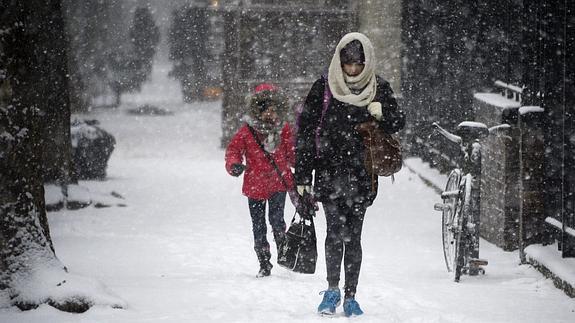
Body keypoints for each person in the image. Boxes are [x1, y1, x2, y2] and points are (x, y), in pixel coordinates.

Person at [295, 32, 405, 316]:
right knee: (334, 232)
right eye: (348, 64)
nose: (353, 70)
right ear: (339, 62)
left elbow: (398, 122)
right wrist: (303, 176)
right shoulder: (325, 86)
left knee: (353, 236)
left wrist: (382, 114)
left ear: (366, 62)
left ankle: (351, 296)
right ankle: (332, 291)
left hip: (362, 173)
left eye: (358, 64)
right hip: (330, 171)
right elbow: (306, 131)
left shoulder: (378, 87)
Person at [225, 83, 295, 278]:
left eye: (274, 110)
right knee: (258, 225)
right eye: (266, 111)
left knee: (277, 220)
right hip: (255, 185)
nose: (270, 115)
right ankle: (264, 261)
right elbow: (233, 151)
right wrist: (234, 164)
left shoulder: (284, 130)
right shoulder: (247, 132)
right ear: (257, 111)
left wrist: (303, 164)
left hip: (278, 184)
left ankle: (283, 252)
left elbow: (292, 153)